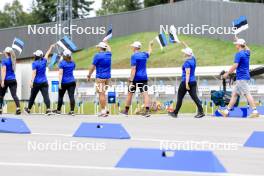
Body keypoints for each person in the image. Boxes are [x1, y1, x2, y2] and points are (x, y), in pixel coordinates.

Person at [218, 38, 259, 118]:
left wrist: (227, 74)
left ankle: (255, 111)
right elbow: (248, 49)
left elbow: (235, 66)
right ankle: (226, 111)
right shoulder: (247, 53)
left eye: (236, 44)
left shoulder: (239, 54)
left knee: (247, 93)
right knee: (234, 94)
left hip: (241, 77)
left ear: (240, 45)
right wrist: (242, 42)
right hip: (244, 76)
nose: (235, 45)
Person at [168, 42, 204, 118]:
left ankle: (175, 113)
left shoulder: (187, 63)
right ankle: (201, 112)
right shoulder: (193, 59)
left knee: (180, 97)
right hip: (193, 81)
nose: (183, 54)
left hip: (186, 82)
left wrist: (186, 84)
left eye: (184, 52)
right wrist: (185, 44)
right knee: (195, 97)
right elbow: (191, 52)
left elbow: (187, 73)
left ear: (187, 54)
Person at [120, 40, 153, 117]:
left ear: (135, 47)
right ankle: (147, 111)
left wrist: (131, 80)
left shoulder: (134, 56)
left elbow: (133, 69)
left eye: (133, 46)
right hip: (144, 77)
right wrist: (150, 45)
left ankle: (126, 111)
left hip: (135, 79)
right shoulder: (144, 54)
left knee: (130, 94)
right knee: (145, 94)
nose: (132, 48)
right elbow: (149, 52)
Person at [24, 45, 55, 115]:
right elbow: (47, 54)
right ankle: (48, 109)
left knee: (32, 96)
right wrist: (51, 47)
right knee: (46, 96)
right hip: (44, 82)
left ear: (36, 56)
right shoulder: (44, 61)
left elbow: (34, 73)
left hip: (36, 83)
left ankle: (28, 109)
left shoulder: (34, 63)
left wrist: (31, 82)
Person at [87, 41, 111, 117]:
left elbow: (92, 67)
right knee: (103, 93)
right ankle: (105, 109)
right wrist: (106, 43)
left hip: (100, 77)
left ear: (100, 48)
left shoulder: (97, 56)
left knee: (101, 94)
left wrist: (89, 75)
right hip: (108, 78)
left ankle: (103, 111)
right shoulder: (109, 54)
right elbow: (109, 49)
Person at [53, 50, 76, 116]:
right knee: (71, 96)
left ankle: (58, 110)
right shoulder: (73, 63)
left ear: (64, 55)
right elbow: (72, 66)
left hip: (63, 82)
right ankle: (72, 111)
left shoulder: (62, 63)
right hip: (72, 81)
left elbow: (60, 74)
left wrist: (59, 83)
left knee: (60, 96)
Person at [0, 47, 21, 115]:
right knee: (14, 95)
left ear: (6, 53)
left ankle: (0, 109)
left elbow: (4, 71)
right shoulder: (13, 60)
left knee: (1, 95)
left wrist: (2, 81)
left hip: (6, 80)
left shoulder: (4, 61)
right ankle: (18, 108)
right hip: (13, 80)